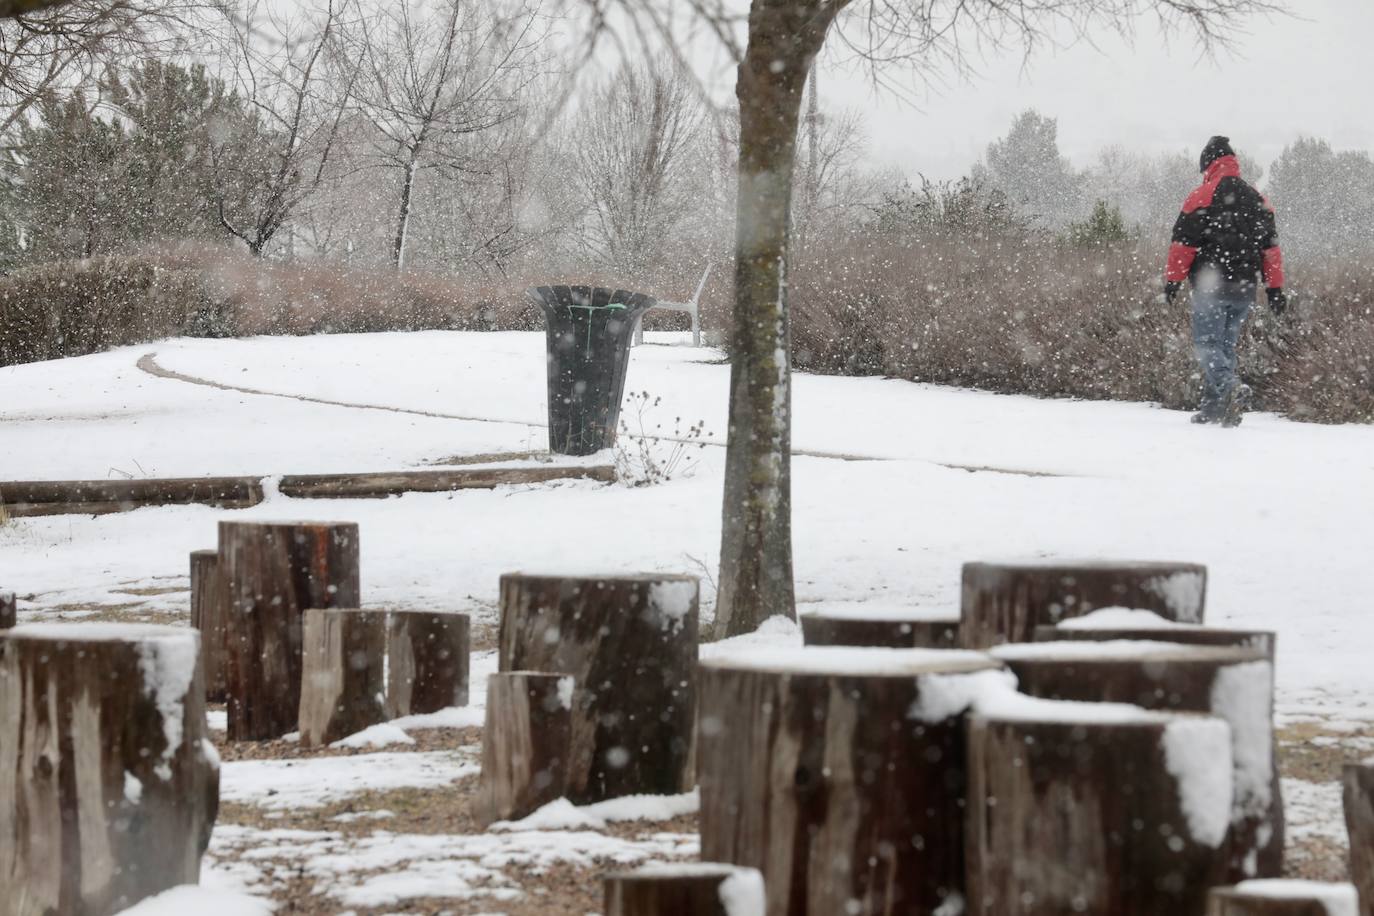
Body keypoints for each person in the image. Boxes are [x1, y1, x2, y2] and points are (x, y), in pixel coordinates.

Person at [1164, 136, 1287, 427]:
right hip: (1244, 288)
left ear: (1208, 163)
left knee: (1207, 343)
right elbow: (1270, 251)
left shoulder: (1202, 195)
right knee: (1224, 347)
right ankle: (1215, 409)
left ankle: (1230, 387)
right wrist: (1275, 289)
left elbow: (1183, 245)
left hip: (1212, 285)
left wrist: (1173, 281)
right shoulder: (1258, 199)